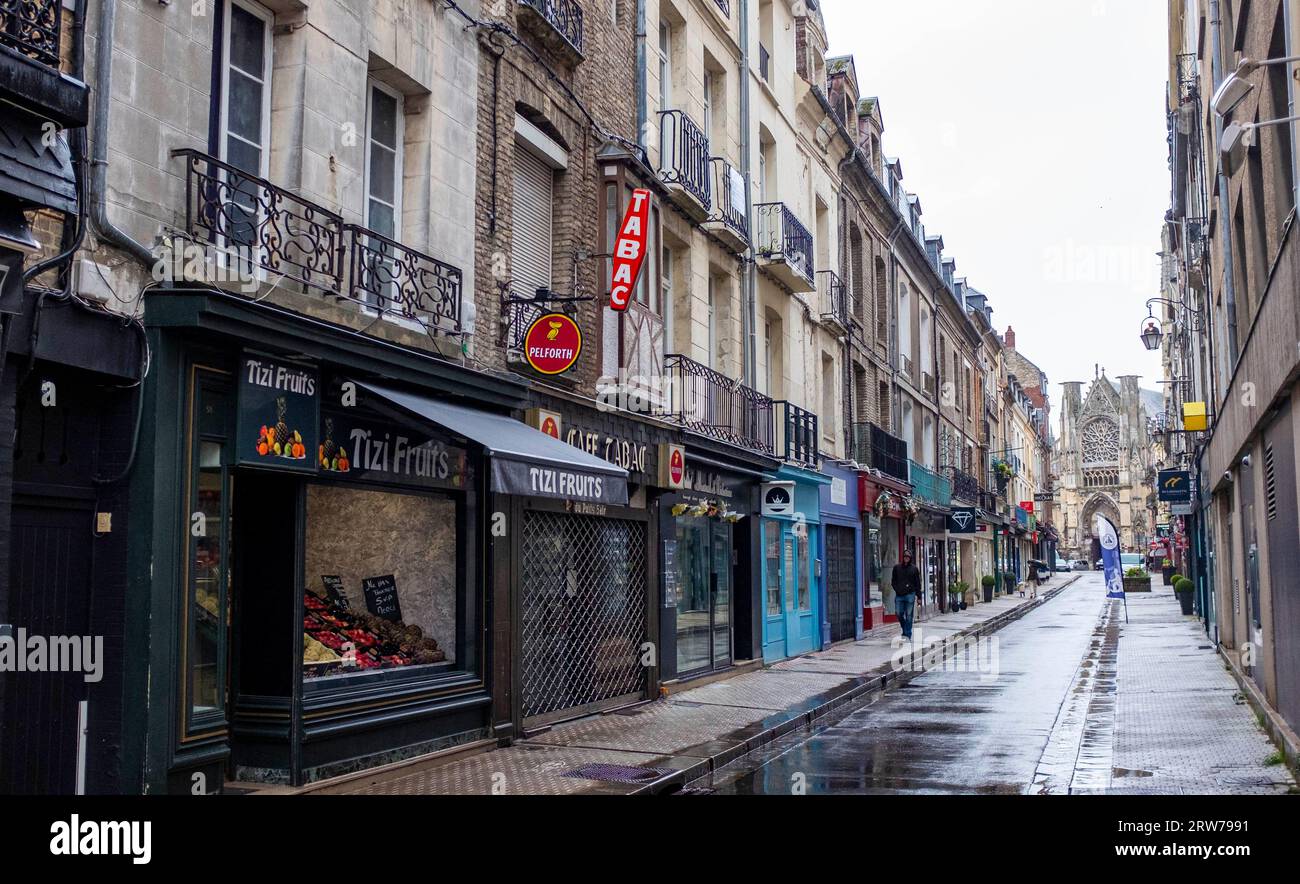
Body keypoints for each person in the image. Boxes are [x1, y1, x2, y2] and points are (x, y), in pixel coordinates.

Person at [891, 551, 922, 640]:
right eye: (905, 556)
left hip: (910, 594)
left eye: (908, 557)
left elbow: (918, 583)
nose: (906, 558)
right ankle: (905, 628)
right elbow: (893, 581)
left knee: (909, 615)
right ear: (903, 557)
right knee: (898, 613)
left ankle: (907, 634)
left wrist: (919, 596)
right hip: (899, 595)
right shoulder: (896, 568)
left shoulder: (914, 569)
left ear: (910, 558)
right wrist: (897, 589)